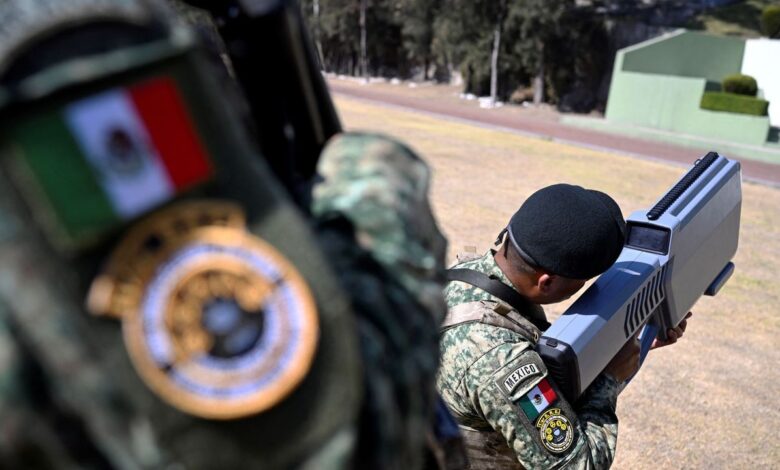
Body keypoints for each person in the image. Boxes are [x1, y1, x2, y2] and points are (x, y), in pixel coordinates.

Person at [437, 184, 690, 469]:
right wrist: (609, 381)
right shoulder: (501, 362)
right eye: (583, 281)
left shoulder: (460, 279)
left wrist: (630, 344)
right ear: (546, 282)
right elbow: (579, 464)